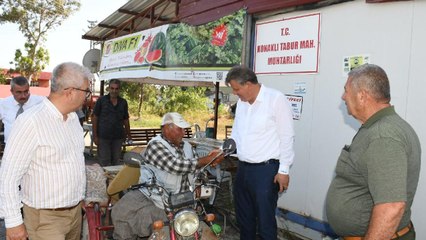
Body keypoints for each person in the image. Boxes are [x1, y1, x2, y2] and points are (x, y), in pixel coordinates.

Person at [326, 64, 420, 239]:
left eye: (346, 90)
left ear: (362, 96)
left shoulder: (383, 135)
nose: (343, 96)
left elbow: (391, 207)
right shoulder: (379, 127)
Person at [0, 62, 92, 240]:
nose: (87, 97)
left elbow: (73, 163)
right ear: (70, 91)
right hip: (45, 219)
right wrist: (13, 223)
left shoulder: (73, 120)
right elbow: (8, 176)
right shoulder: (31, 121)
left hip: (74, 215)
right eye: (86, 92)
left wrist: (78, 197)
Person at [111, 112, 224, 239]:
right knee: (120, 212)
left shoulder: (187, 146)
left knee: (202, 228)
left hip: (183, 199)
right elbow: (176, 166)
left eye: (184, 129)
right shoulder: (155, 145)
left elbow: (197, 168)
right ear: (166, 128)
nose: (183, 133)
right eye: (179, 129)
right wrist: (207, 159)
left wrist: (201, 177)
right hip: (152, 193)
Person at [225, 65, 295, 240]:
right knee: (244, 220)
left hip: (266, 171)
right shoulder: (242, 104)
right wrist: (223, 150)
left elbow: (287, 137)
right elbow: (237, 134)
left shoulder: (275, 99)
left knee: (265, 222)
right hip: (243, 170)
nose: (235, 94)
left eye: (237, 89)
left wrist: (284, 170)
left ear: (248, 84)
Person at [92, 79, 132, 166]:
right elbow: (95, 118)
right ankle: (103, 180)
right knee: (104, 162)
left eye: (116, 89)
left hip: (118, 138)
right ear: (109, 89)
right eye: (112, 88)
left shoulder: (123, 102)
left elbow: (126, 119)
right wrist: (95, 136)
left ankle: (113, 180)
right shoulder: (101, 100)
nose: (114, 91)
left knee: (116, 162)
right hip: (103, 137)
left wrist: (129, 135)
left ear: (119, 89)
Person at [0, 76, 45, 143]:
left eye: (26, 91)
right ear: (11, 91)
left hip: (34, 147)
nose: (23, 96)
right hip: (10, 147)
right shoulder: (3, 104)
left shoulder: (41, 102)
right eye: (18, 92)